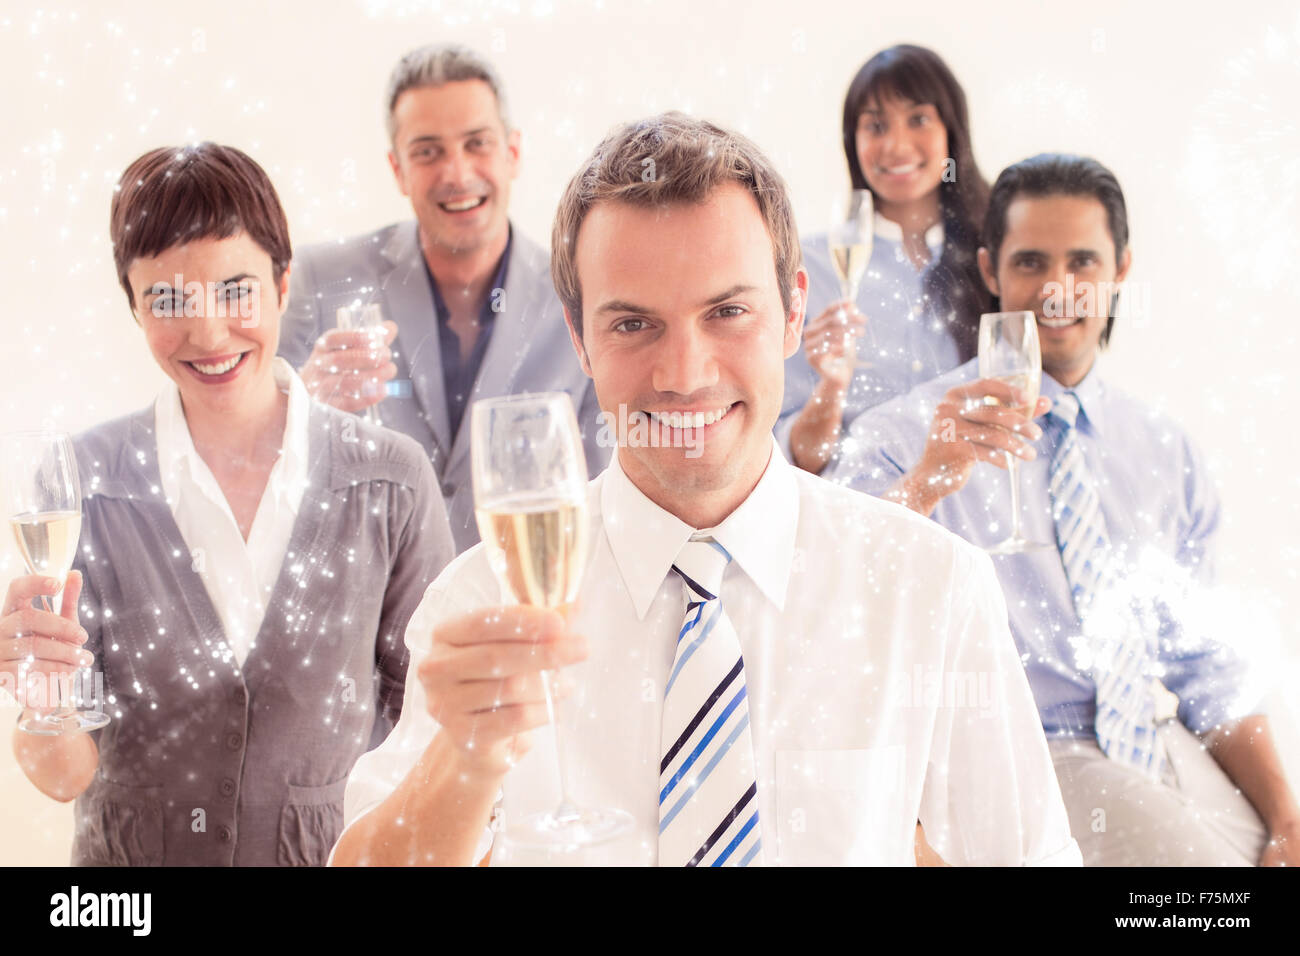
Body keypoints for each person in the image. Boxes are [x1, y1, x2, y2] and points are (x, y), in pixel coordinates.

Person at [329, 113, 1081, 867]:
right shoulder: (481, 603)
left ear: (793, 312)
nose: (684, 375)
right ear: (580, 336)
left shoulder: (933, 590)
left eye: (727, 312)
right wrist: (462, 760)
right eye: (632, 324)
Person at [833, 153, 1300, 866]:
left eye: (1083, 262)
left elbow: (1205, 668)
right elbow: (834, 609)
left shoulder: (1163, 451)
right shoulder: (903, 439)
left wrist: (1286, 816)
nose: (1058, 289)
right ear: (991, 271)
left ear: (1121, 270)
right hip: (1018, 753)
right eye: (1031, 263)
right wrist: (928, 482)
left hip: (1155, 742)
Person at [3, 143, 455, 866]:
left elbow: (433, 735)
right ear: (133, 306)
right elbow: (63, 775)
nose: (208, 332)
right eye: (168, 300)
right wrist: (39, 692)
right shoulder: (81, 483)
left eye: (236, 289)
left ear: (283, 286)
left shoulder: (389, 482)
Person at [279, 44, 604, 553]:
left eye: (477, 143)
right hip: (365, 616)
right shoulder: (319, 279)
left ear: (512, 153)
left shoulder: (583, 296)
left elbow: (607, 500)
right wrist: (297, 407)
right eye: (427, 151)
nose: (456, 173)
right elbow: (245, 460)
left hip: (523, 605)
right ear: (397, 169)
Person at [780, 44, 992, 476]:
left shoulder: (994, 260)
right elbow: (799, 462)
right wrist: (831, 388)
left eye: (918, 120)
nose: (896, 145)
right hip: (856, 522)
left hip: (969, 520)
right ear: (853, 142)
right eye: (876, 126)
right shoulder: (808, 269)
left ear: (951, 131)